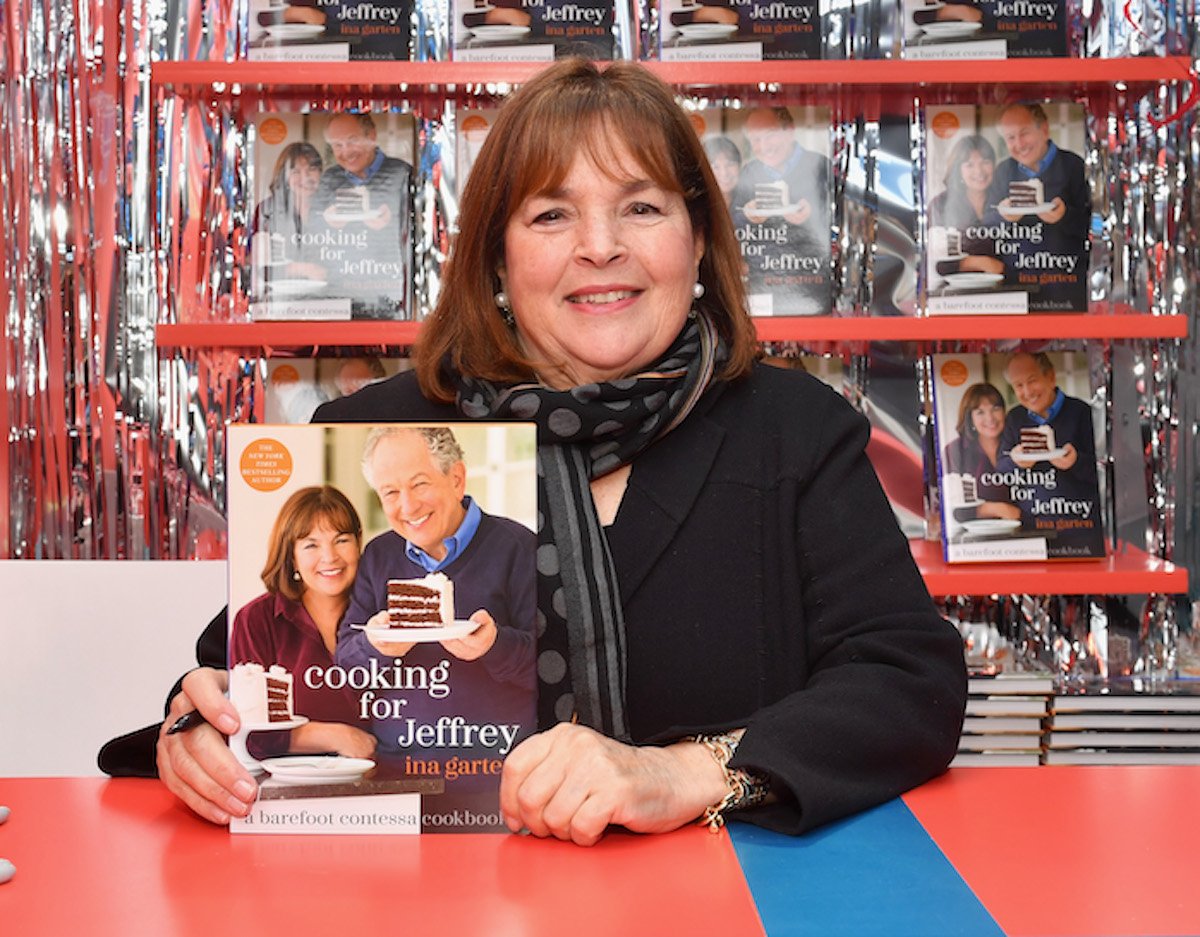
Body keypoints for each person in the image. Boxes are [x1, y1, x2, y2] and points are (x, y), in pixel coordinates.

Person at [154, 58, 966, 843]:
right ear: (497, 258)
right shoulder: (379, 431)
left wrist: (690, 772)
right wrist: (196, 728)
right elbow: (242, 668)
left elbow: (908, 681)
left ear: (697, 241)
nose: (601, 245)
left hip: (728, 900)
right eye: (551, 214)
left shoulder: (796, 428)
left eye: (642, 207)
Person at [334, 426, 536, 759]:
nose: (408, 506)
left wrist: (494, 645)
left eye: (419, 484)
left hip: (493, 771)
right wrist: (376, 646)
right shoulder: (378, 555)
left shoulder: (519, 547)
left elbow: (554, 670)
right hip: (397, 770)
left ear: (456, 479)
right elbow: (345, 670)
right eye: (390, 492)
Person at [228, 485, 376, 760]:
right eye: (311, 545)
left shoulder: (381, 615)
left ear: (358, 542)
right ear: (291, 555)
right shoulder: (257, 620)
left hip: (387, 782)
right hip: (289, 788)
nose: (330, 557)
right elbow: (251, 733)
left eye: (341, 540)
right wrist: (337, 736)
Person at [995, 351, 1104, 553]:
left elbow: (1103, 472)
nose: (1027, 392)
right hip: (1030, 531)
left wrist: (1075, 462)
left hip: (1079, 530)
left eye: (1032, 381)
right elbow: (1000, 469)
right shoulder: (1015, 418)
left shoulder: (1082, 412)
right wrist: (1016, 461)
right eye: (1018, 385)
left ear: (1051, 377)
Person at [729, 106, 831, 314]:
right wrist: (746, 217)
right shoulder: (750, 172)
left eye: (770, 136)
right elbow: (730, 226)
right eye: (755, 139)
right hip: (760, 289)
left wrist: (813, 216)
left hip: (811, 289)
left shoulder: (820, 167)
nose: (762, 146)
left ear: (790, 130)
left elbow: (844, 226)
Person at [312, 112, 413, 317]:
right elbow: (309, 239)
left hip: (391, 297)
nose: (346, 151)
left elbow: (420, 234)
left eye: (352, 141)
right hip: (337, 298)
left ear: (372, 136)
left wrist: (392, 224)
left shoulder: (402, 173)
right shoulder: (329, 179)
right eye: (337, 145)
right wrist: (326, 225)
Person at [991, 103, 1090, 310]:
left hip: (1065, 288)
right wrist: (1002, 217)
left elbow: (1095, 225)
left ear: (1044, 129)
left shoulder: (1074, 166)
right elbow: (984, 225)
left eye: (1024, 133)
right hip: (1014, 289)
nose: (1018, 144)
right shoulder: (1003, 171)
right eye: (1010, 138)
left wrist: (1065, 216)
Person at [251, 141, 329, 289]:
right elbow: (259, 267)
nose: (305, 178)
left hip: (330, 298)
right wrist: (301, 269)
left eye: (311, 169)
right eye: (296, 172)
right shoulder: (267, 210)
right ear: (284, 177)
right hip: (281, 299)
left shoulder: (333, 209)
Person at [928, 134, 1005, 280]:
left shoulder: (1006, 201)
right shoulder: (941, 205)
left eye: (985, 162)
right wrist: (980, 263)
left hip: (1009, 289)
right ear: (958, 170)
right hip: (955, 293)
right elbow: (935, 261)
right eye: (969, 165)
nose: (979, 171)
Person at [942, 382, 1019, 521]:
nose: (990, 418)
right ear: (969, 418)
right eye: (980, 412)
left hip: (1026, 530)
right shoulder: (955, 451)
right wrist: (999, 509)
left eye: (995, 408)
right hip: (976, 535)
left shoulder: (1019, 445)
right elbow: (956, 510)